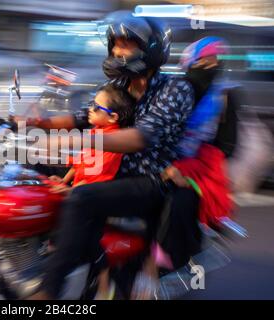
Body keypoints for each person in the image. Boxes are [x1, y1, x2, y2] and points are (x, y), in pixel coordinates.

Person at [28, 11, 195, 299]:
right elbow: (83, 117)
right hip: (109, 169)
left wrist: (82, 143)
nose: (118, 51)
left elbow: (141, 137)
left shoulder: (175, 89)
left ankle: (48, 289)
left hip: (149, 180)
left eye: (126, 44)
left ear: (151, 50)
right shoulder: (118, 86)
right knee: (29, 165)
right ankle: (38, 250)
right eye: (115, 44)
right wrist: (40, 123)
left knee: (81, 197)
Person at [132, 37, 241, 300]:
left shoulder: (225, 94)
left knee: (178, 202)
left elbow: (227, 145)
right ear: (190, 62)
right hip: (160, 158)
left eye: (215, 61)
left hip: (199, 167)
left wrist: (188, 167)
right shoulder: (175, 89)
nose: (210, 65)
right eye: (204, 60)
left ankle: (154, 270)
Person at [47, 83, 135, 299]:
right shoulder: (95, 132)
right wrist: (64, 180)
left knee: (88, 238)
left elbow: (99, 179)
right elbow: (79, 162)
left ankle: (105, 284)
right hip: (80, 190)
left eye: (96, 107)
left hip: (93, 199)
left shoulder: (113, 142)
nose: (90, 109)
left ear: (113, 117)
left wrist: (71, 190)